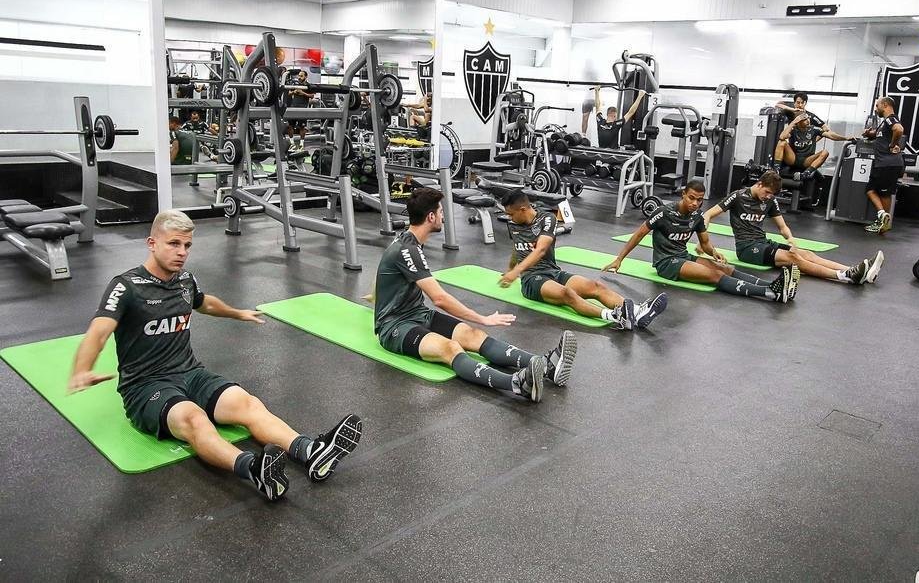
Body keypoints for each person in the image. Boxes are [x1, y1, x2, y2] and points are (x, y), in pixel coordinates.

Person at [67, 210, 362, 502]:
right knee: (195, 420)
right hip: (147, 387)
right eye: (173, 244)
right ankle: (254, 469)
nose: (182, 252)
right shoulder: (126, 286)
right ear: (152, 243)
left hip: (191, 373)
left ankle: (310, 452)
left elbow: (204, 303)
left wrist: (237, 313)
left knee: (247, 403)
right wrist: (82, 368)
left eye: (187, 245)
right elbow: (99, 332)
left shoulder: (185, 280)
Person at [374, 188, 576, 402]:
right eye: (441, 211)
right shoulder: (408, 250)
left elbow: (390, 268)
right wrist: (482, 318)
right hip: (395, 326)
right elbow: (440, 299)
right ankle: (518, 385)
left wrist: (379, 290)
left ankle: (548, 366)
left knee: (474, 335)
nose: (443, 215)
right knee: (450, 348)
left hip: (419, 314)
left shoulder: (411, 243)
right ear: (431, 217)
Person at [605, 179, 799, 303]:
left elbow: (705, 243)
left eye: (699, 200)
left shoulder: (697, 215)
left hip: (684, 256)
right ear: (683, 194)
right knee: (712, 275)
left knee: (724, 268)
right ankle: (768, 293)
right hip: (667, 263)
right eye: (691, 198)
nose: (695, 203)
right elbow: (638, 234)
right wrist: (619, 259)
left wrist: (713, 252)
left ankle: (772, 284)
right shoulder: (664, 212)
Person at [500, 189, 668, 329]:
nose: (509, 218)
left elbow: (541, 249)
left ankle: (638, 312)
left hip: (552, 271)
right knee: (567, 293)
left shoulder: (547, 219)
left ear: (523, 209)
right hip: (532, 279)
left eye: (511, 214)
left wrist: (515, 271)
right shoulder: (513, 225)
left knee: (595, 286)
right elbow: (516, 248)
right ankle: (614, 316)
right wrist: (510, 269)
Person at [703, 171, 884, 285]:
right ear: (759, 184)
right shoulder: (738, 196)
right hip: (747, 249)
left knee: (805, 253)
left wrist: (790, 239)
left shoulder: (770, 201)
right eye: (767, 192)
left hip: (763, 242)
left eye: (771, 194)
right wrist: (705, 241)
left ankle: (855, 269)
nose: (768, 197)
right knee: (792, 258)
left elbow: (782, 226)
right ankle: (844, 276)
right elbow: (708, 214)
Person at [773, 96, 853, 180]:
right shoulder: (793, 129)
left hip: (807, 160)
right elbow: (782, 137)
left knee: (825, 152)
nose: (808, 121)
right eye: (805, 120)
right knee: (782, 142)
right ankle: (776, 171)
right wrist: (794, 122)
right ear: (798, 122)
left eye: (808, 119)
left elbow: (831, 135)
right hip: (793, 158)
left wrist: (846, 138)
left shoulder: (814, 129)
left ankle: (806, 174)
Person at [863, 96, 907, 234]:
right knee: (870, 190)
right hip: (881, 164)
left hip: (888, 164)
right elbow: (877, 134)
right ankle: (882, 216)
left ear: (886, 105)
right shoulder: (884, 123)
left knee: (884, 194)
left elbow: (899, 129)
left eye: (877, 106)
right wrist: (868, 134)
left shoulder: (891, 119)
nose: (876, 109)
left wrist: (893, 144)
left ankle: (884, 223)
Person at [286, 69, 314, 148]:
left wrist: (303, 93)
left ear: (306, 77)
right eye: (299, 75)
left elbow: (312, 96)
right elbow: (288, 93)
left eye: (301, 76)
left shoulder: (308, 86)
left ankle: (301, 144)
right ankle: (292, 143)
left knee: (302, 127)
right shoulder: (295, 84)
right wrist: (293, 92)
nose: (299, 77)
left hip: (303, 108)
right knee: (290, 126)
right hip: (293, 107)